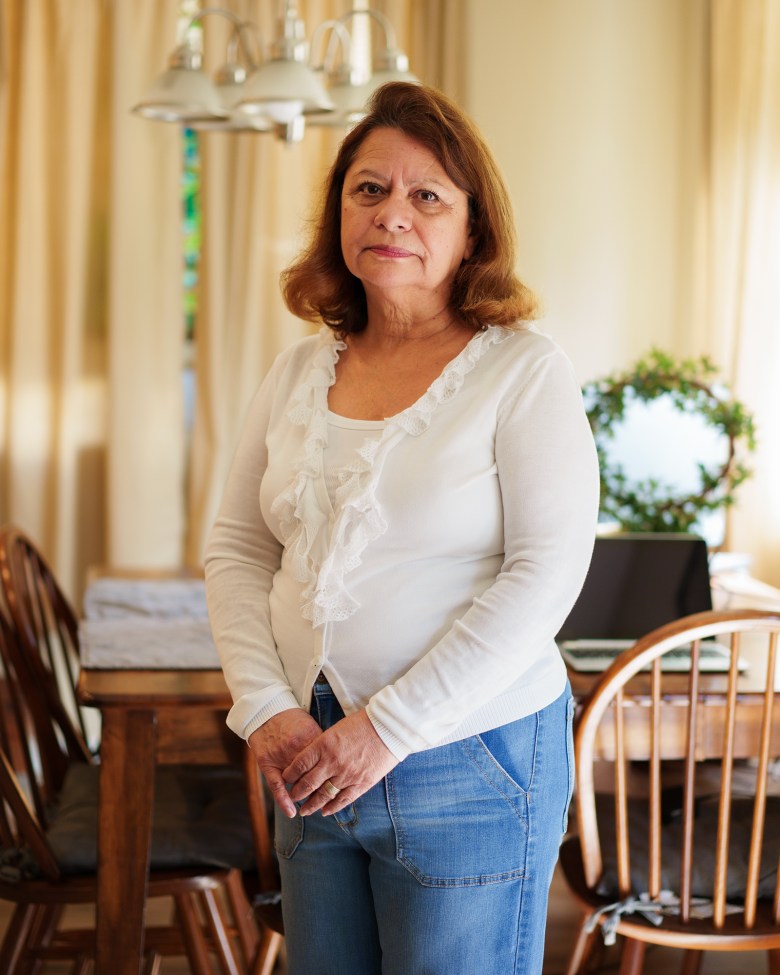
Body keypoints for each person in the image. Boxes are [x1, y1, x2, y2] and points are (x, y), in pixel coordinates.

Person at [205, 81, 599, 975]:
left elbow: (545, 574)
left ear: (473, 230)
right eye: (370, 189)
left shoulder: (524, 371)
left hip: (473, 759)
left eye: (428, 195)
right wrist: (264, 705)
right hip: (307, 752)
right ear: (339, 214)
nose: (393, 213)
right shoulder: (297, 370)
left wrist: (387, 729)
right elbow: (238, 547)